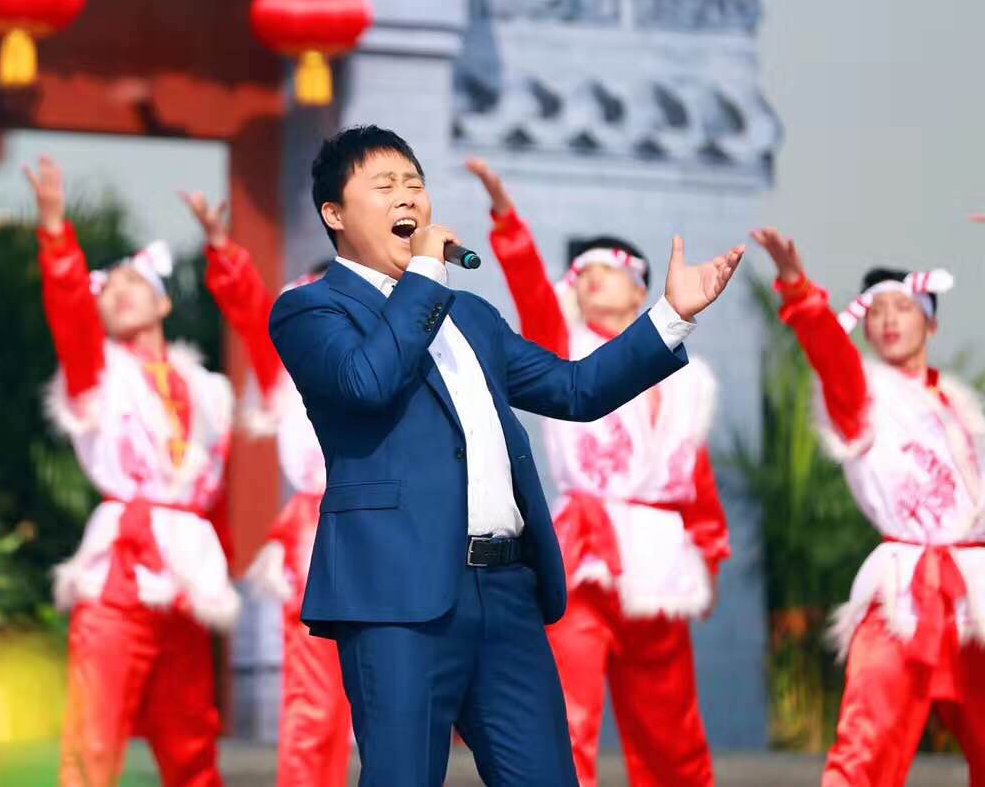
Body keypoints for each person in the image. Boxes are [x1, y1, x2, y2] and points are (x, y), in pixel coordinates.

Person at [268, 125, 744, 785]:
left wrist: (670, 316)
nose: (407, 197)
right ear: (335, 213)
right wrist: (426, 275)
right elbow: (367, 382)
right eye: (385, 186)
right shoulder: (310, 310)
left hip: (506, 590)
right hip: (398, 597)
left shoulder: (471, 316)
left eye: (415, 184)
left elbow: (575, 389)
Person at [466, 158, 729, 786]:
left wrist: (709, 555)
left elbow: (694, 477)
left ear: (640, 289)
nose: (588, 282)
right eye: (580, 275)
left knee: (670, 727)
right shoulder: (564, 348)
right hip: (587, 551)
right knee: (567, 715)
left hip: (660, 561)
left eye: (603, 272)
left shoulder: (688, 380)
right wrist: (506, 219)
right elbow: (532, 289)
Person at [24, 158, 237, 787]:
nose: (117, 291)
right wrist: (56, 234)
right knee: (93, 740)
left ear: (164, 300)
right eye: (107, 286)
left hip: (186, 574)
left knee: (192, 741)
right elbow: (67, 307)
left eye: (132, 281)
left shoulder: (208, 390)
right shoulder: (95, 373)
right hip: (119, 571)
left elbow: (215, 501)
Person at [751, 227, 985, 787]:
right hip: (905, 588)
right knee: (867, 743)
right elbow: (831, 355)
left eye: (902, 307)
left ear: (931, 321)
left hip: (974, 589)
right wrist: (797, 288)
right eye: (876, 311)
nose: (887, 320)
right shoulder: (863, 394)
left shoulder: (960, 405)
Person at [182, 190, 351, 787]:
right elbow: (251, 307)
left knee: (394, 701)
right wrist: (223, 248)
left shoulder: (395, 358)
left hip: (392, 528)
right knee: (314, 697)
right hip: (318, 535)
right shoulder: (283, 368)